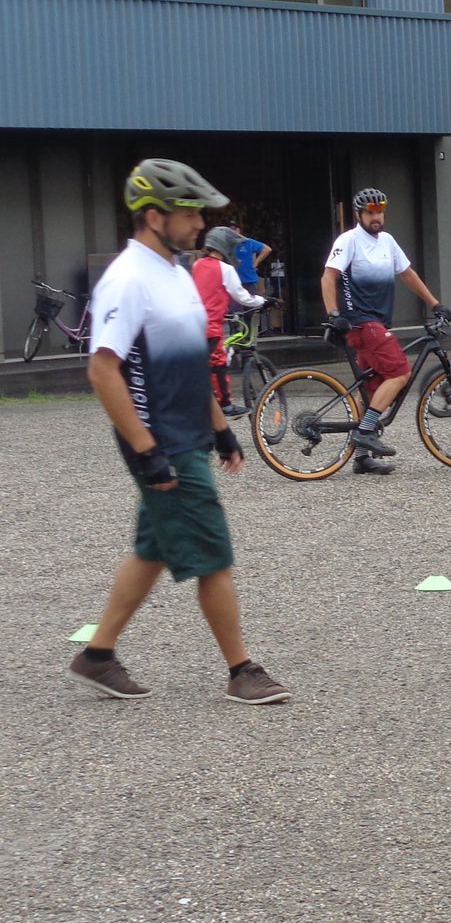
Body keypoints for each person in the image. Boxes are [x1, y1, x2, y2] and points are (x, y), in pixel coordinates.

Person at [69, 159, 288, 705]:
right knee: (212, 552)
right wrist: (147, 452)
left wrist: (221, 429)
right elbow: (103, 369)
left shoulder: (176, 272)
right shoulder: (127, 279)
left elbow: (190, 365)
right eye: (188, 212)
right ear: (152, 216)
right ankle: (242, 670)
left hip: (188, 434)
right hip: (162, 442)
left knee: (152, 549)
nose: (199, 223)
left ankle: (97, 656)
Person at [322, 187, 451, 474]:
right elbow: (328, 277)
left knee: (373, 388)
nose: (376, 216)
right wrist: (333, 314)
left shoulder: (388, 241)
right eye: (370, 212)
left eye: (380, 211)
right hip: (362, 321)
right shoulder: (349, 240)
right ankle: (366, 431)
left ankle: (361, 457)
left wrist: (436, 304)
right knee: (400, 373)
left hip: (379, 323)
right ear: (359, 215)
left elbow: (407, 274)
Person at [194, 224, 267, 418]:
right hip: (210, 326)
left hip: (193, 324)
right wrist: (263, 301)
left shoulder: (197, 265)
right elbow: (242, 297)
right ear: (225, 246)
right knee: (218, 364)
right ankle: (226, 405)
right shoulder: (225, 269)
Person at [225, 223, 272, 296]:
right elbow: (206, 249)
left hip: (248, 280)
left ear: (239, 230)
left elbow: (267, 249)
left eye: (235, 228)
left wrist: (256, 263)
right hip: (232, 281)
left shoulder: (247, 242)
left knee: (250, 306)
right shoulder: (225, 243)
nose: (233, 231)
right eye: (230, 229)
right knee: (234, 307)